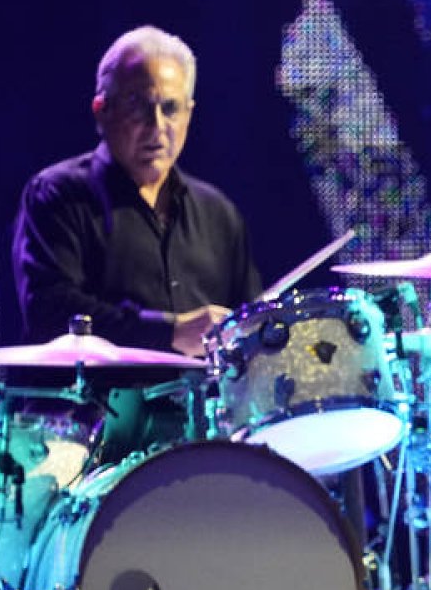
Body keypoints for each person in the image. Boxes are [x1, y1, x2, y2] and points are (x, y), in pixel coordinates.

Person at [13, 25, 261, 357]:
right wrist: (169, 332)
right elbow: (50, 311)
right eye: (137, 105)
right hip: (92, 391)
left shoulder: (219, 213)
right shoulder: (57, 195)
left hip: (200, 391)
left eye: (170, 108)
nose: (157, 126)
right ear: (102, 112)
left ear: (189, 114)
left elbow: (249, 323)